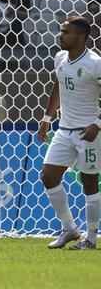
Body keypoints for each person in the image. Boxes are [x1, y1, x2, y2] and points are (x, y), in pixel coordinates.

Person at [39, 15, 101, 249]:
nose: (61, 35)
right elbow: (59, 85)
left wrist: (97, 124)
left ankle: (91, 237)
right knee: (48, 176)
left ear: (81, 36)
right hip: (64, 129)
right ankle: (70, 229)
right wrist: (47, 118)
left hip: (88, 131)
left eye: (66, 32)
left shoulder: (95, 63)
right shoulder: (60, 58)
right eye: (61, 31)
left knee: (89, 182)